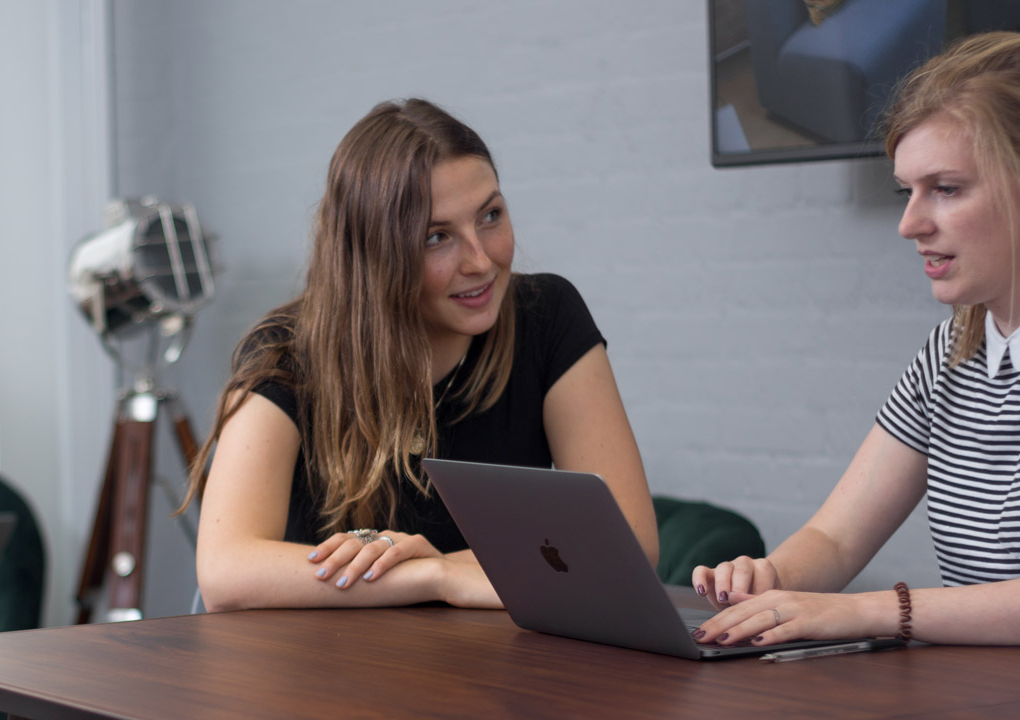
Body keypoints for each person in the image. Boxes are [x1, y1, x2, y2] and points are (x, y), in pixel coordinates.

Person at [180, 98, 657, 611]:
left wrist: (445, 566)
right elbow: (225, 572)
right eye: (436, 237)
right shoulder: (286, 353)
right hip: (320, 671)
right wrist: (434, 578)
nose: (481, 260)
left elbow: (629, 548)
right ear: (373, 254)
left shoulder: (547, 315)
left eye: (490, 215)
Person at [692, 31, 1020, 647]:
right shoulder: (950, 355)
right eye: (907, 192)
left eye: (945, 189)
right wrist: (768, 581)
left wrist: (874, 612)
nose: (909, 224)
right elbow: (836, 538)